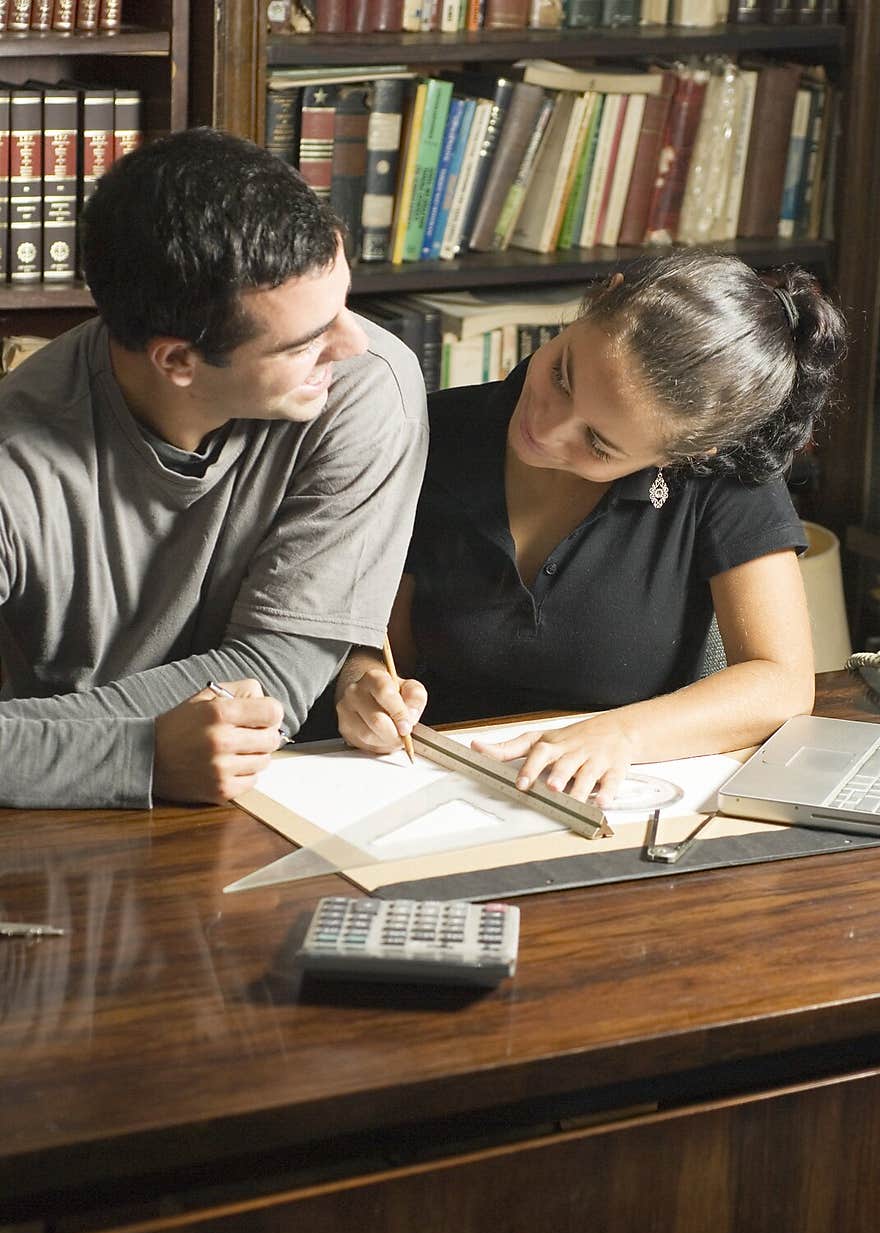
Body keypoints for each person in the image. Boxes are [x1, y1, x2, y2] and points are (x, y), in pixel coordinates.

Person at [327, 248, 848, 807]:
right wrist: (361, 686)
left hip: (624, 803)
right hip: (429, 787)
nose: (546, 430)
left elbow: (781, 683)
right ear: (599, 297)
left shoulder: (723, 482)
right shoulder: (426, 436)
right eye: (563, 376)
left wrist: (620, 734)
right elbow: (377, 648)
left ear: (684, 455)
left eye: (598, 444)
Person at [0, 127, 427, 809]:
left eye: (345, 302)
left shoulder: (367, 387)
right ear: (178, 362)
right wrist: (135, 753)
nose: (353, 343)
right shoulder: (14, 465)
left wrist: (35, 746)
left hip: (274, 798)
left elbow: (272, 677)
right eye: (308, 339)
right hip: (56, 826)